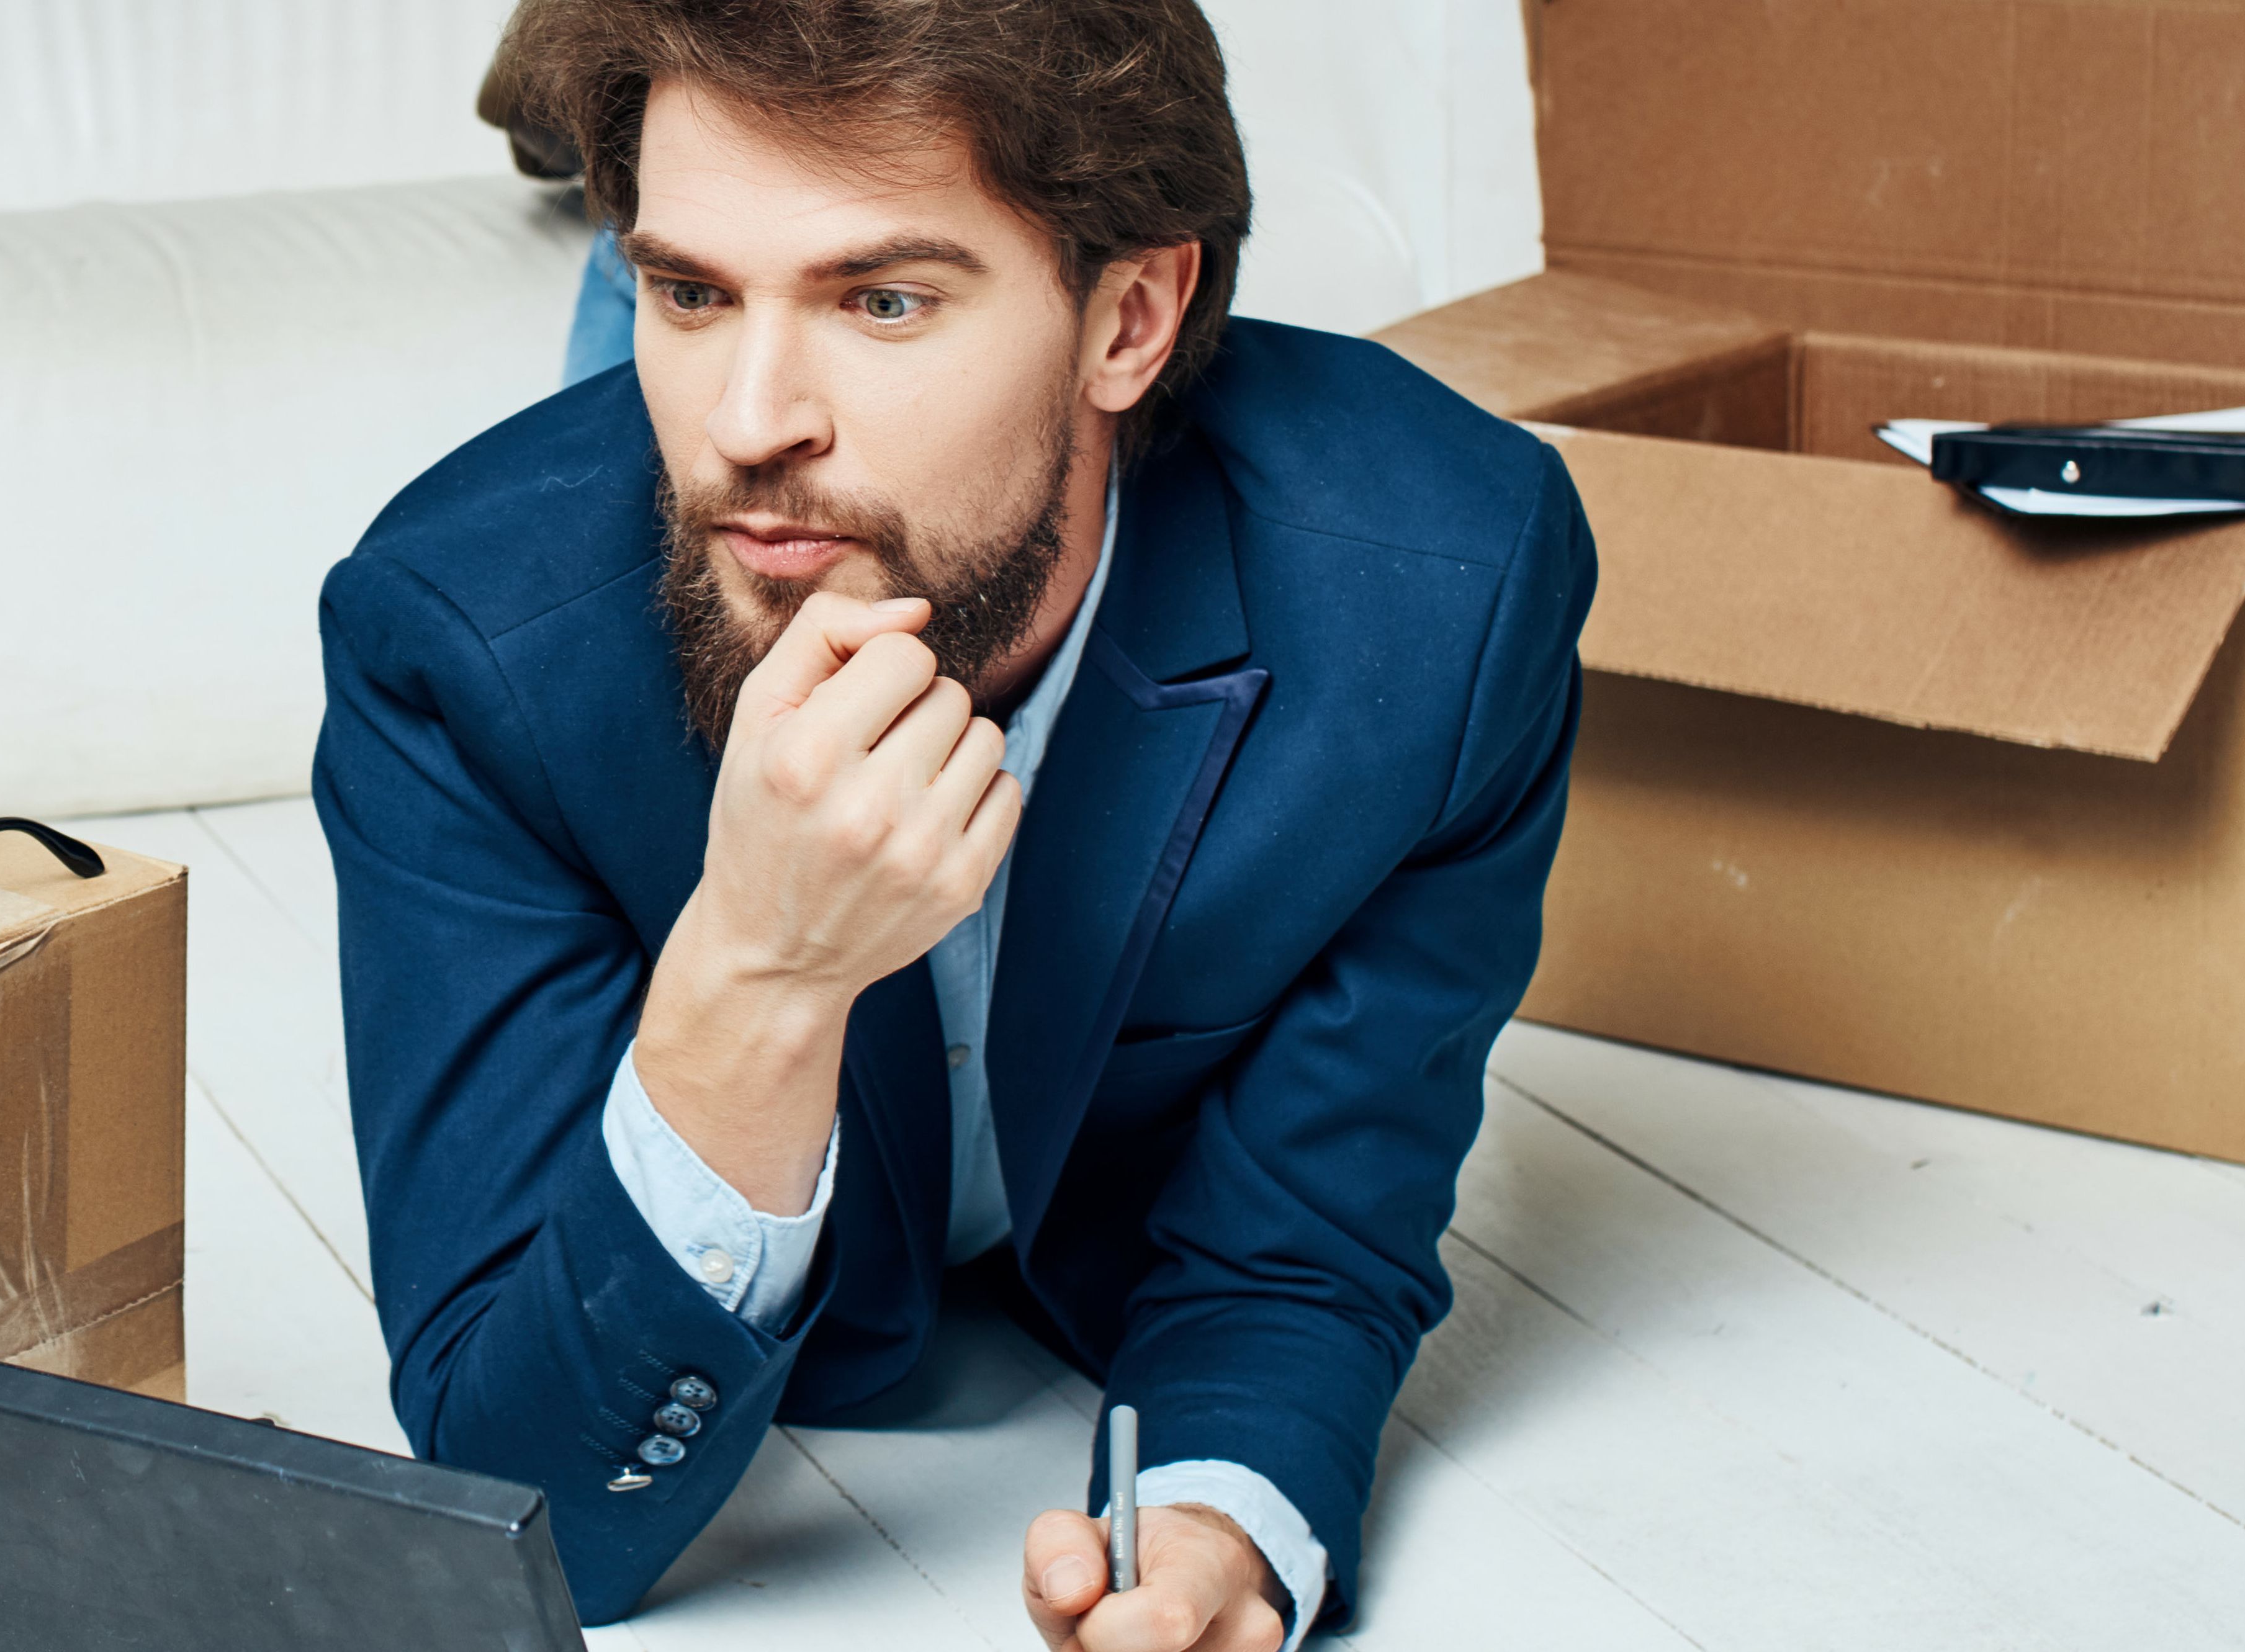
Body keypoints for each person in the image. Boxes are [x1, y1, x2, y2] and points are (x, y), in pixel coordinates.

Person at [314, 2, 1594, 1646]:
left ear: (1128, 317)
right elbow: (528, 1493)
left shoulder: (1442, 592)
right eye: (687, 292)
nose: (745, 420)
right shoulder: (460, 646)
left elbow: (1303, 1242)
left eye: (884, 299)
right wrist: (758, 975)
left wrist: (1220, 1523)